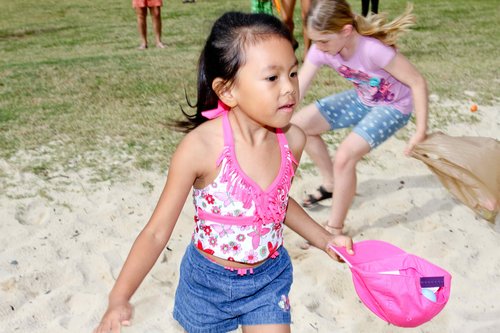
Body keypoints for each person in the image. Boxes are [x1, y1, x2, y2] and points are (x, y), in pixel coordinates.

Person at [93, 12, 353, 333]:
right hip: (207, 286)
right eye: (272, 78)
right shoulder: (200, 148)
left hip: (268, 280)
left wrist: (325, 239)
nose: (289, 88)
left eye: (293, 73)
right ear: (227, 90)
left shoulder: (293, 140)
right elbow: (156, 232)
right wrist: (120, 297)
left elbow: (276, 205)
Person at [291, 0, 428, 236]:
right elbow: (300, 87)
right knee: (300, 126)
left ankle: (334, 229)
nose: (318, 47)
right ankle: (332, 183)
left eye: (324, 40)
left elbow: (417, 82)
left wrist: (420, 132)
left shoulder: (373, 50)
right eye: (315, 40)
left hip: (394, 105)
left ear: (346, 31)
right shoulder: (322, 49)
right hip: (364, 99)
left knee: (345, 156)